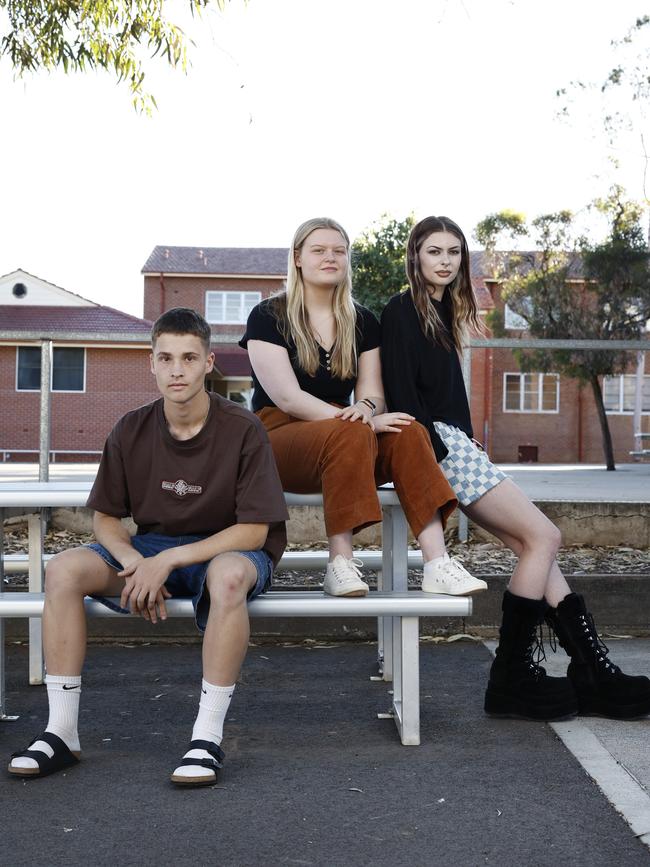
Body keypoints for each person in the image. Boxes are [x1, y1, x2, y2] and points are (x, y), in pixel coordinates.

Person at [380, 214, 650, 721]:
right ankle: (512, 678)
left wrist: (470, 446)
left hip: (458, 446)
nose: (444, 261)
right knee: (545, 537)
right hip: (437, 449)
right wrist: (441, 460)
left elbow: (444, 395)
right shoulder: (402, 310)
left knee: (531, 546)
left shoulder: (443, 311)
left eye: (454, 252)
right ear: (415, 256)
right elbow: (406, 396)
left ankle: (589, 671)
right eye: (434, 251)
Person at [8, 307, 288, 785]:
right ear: (151, 364)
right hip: (152, 546)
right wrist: (137, 560)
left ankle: (206, 737)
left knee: (229, 576)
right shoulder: (130, 429)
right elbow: (106, 518)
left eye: (188, 357)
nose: (176, 369)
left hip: (225, 549)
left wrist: (168, 561)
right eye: (165, 358)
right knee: (63, 570)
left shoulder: (243, 428)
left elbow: (254, 532)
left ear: (208, 364)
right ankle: (61, 732)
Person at [240, 216, 486, 599]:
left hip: (347, 438)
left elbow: (373, 396)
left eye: (339, 251)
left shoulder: (362, 320)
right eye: (319, 250)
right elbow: (287, 397)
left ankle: (437, 562)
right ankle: (339, 563)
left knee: (408, 430)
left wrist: (368, 411)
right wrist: (359, 421)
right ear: (298, 258)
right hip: (279, 439)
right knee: (350, 431)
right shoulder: (268, 316)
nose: (330, 257)